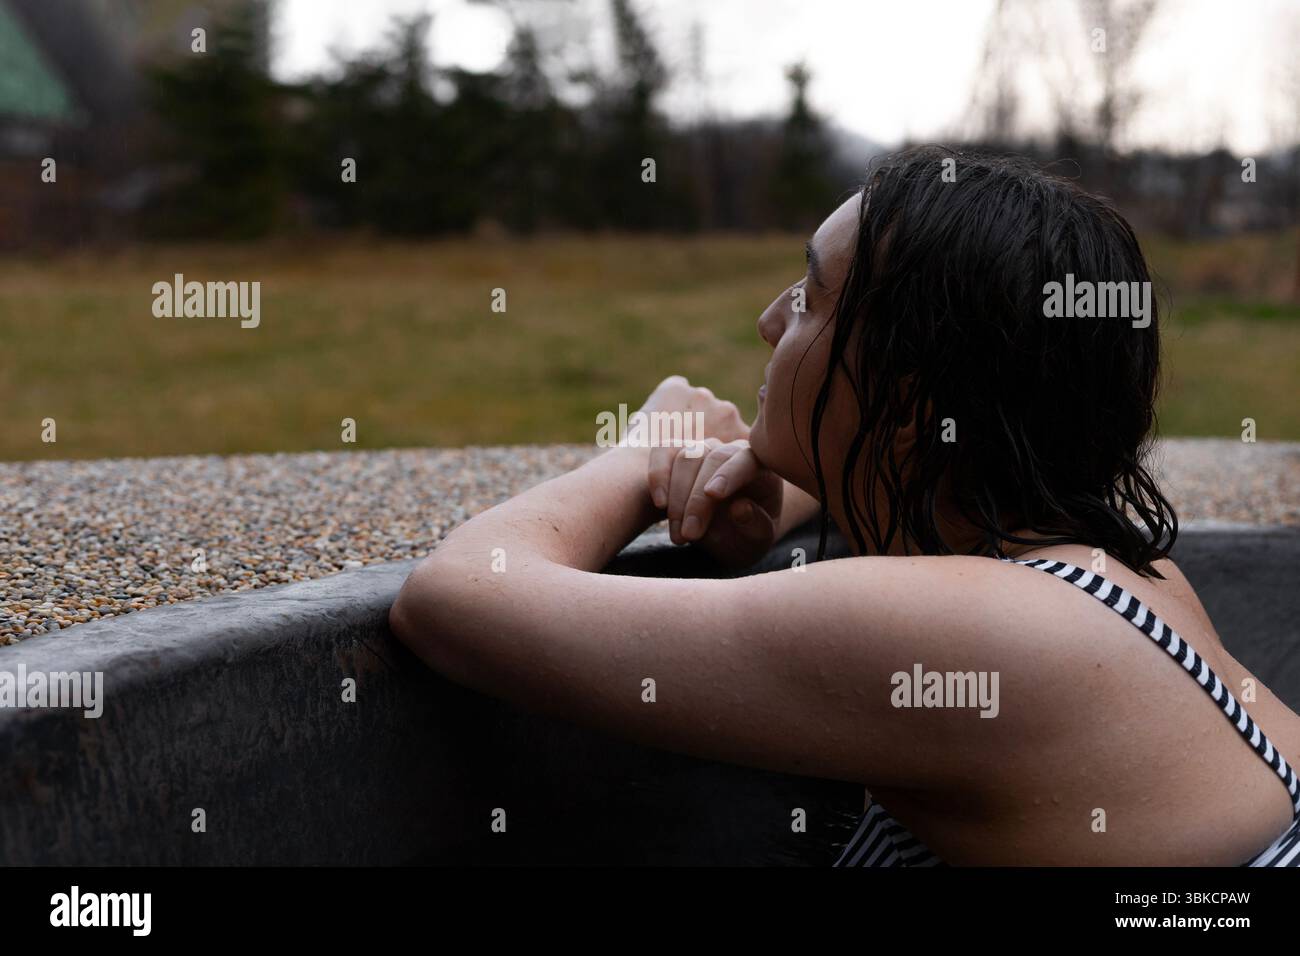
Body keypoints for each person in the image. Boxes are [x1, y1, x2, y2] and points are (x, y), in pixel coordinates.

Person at [389, 148, 1300, 866]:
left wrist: (641, 453)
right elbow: (912, 479)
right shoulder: (1122, 574)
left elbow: (456, 599)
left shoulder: (970, 637)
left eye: (812, 298)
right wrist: (780, 482)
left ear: (907, 401)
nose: (768, 321)